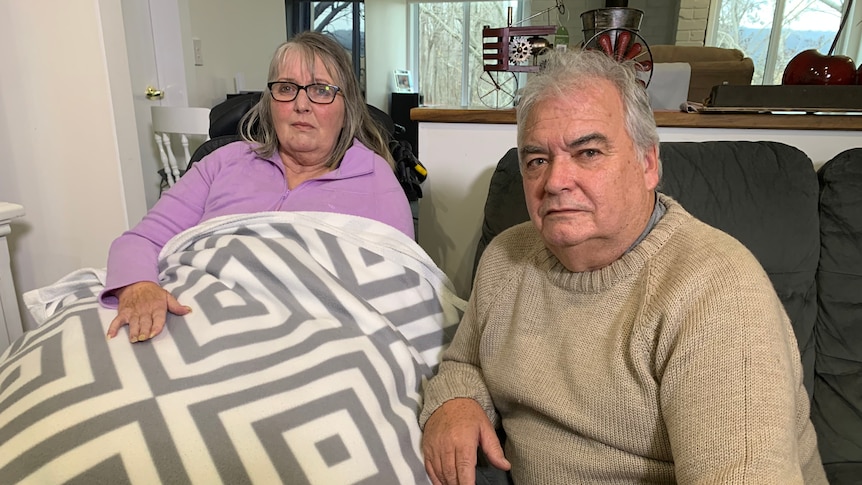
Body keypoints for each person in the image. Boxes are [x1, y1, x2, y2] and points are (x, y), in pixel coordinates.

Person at [419, 49, 827, 484]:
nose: (555, 181)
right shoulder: (505, 257)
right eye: (537, 160)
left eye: (588, 152)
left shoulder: (718, 294)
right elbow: (466, 361)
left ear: (648, 164)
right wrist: (457, 402)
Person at [101, 31, 414, 343]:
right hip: (195, 325)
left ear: (347, 109)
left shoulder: (375, 179)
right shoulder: (222, 162)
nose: (301, 104)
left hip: (312, 340)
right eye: (287, 88)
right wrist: (140, 287)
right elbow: (139, 241)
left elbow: (402, 293)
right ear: (270, 103)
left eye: (321, 90)